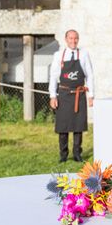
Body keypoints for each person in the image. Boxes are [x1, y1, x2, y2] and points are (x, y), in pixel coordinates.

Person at [49, 30, 94, 162]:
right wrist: (53, 96)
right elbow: (53, 76)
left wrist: (91, 95)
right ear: (66, 39)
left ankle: (77, 154)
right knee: (63, 127)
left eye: (76, 38)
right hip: (63, 94)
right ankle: (63, 155)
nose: (73, 41)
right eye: (71, 38)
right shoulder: (59, 55)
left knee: (78, 126)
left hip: (79, 94)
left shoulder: (84, 54)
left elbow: (89, 75)